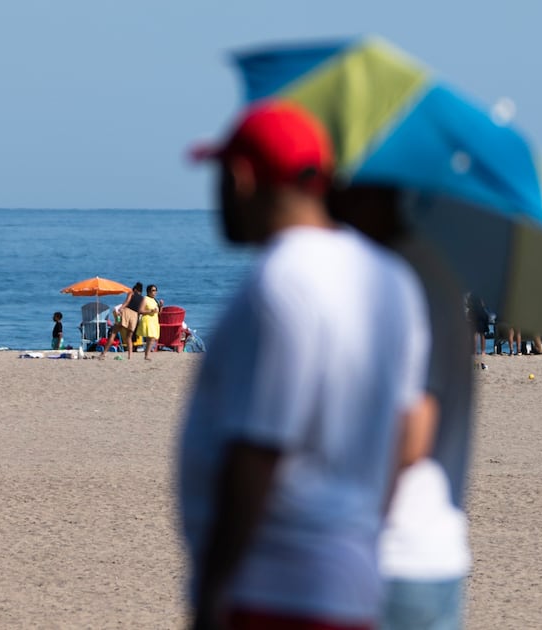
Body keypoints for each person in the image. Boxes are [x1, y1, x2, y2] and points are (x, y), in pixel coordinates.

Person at [179, 100, 432, 629]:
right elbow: (410, 431)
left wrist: (211, 592)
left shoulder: (280, 282)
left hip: (274, 588)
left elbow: (257, 451)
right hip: (350, 576)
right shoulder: (392, 278)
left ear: (242, 178)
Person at [329, 184, 475, 630]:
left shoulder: (402, 279)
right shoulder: (438, 277)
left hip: (393, 550)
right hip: (431, 544)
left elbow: (412, 431)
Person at [100, 282, 144, 360]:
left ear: (135, 289)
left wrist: (120, 309)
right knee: (129, 337)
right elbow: (141, 310)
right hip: (134, 317)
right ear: (140, 291)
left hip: (126, 313)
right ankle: (130, 356)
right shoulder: (143, 299)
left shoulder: (131, 293)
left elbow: (126, 302)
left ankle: (104, 353)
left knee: (113, 334)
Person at [135, 285, 161, 359]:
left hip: (154, 320)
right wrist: (150, 311)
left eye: (155, 290)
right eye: (153, 290)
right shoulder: (145, 299)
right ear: (148, 291)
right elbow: (140, 311)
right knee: (151, 338)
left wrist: (161, 306)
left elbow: (158, 313)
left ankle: (146, 354)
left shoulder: (155, 300)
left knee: (152, 338)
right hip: (147, 320)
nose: (154, 292)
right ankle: (147, 355)